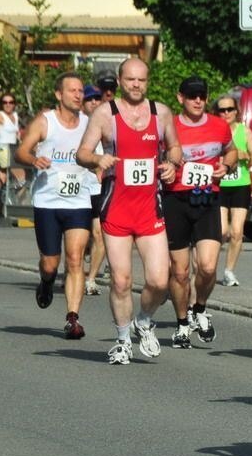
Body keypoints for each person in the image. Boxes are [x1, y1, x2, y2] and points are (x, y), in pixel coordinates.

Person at [77, 57, 182, 365]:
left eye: (142, 80)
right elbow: (81, 152)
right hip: (117, 209)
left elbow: (175, 147)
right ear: (121, 81)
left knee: (160, 281)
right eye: (131, 79)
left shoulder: (160, 113)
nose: (137, 85)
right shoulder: (104, 114)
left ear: (147, 82)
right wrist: (98, 160)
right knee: (121, 281)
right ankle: (123, 341)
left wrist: (172, 165)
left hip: (150, 209)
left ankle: (144, 320)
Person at [15, 72, 94, 339]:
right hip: (48, 200)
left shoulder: (89, 123)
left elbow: (102, 148)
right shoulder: (44, 122)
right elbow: (21, 150)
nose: (78, 95)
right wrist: (33, 159)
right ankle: (46, 282)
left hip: (78, 200)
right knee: (50, 263)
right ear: (59, 95)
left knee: (75, 258)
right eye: (72, 90)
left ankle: (72, 318)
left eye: (81, 91)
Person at [165, 76, 236, 349]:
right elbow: (155, 157)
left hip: (208, 199)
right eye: (192, 96)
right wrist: (166, 167)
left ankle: (200, 307)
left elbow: (232, 152)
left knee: (207, 267)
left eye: (202, 96)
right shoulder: (169, 127)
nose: (198, 101)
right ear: (180, 98)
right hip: (176, 200)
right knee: (180, 273)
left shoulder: (219, 126)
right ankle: (182, 324)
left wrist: (226, 167)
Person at [214, 94, 252, 288]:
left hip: (240, 184)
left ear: (236, 111)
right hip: (219, 184)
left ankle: (229, 271)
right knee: (222, 231)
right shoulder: (214, 131)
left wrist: (244, 155)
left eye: (230, 109)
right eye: (222, 110)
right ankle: (208, 267)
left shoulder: (244, 131)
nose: (226, 113)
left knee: (237, 231)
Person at [81, 84, 107, 296]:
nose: (94, 102)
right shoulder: (75, 124)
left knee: (100, 234)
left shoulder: (108, 123)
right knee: (79, 237)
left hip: (99, 187)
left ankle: (90, 279)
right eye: (90, 99)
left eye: (97, 99)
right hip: (78, 189)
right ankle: (74, 272)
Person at [0, 92, 22, 186]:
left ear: (14, 104)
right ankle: (21, 200)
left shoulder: (15, 115)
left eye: (11, 102)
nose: (8, 104)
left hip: (13, 148)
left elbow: (16, 133)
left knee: (2, 177)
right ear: (1, 104)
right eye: (5, 102)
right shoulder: (0, 115)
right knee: (21, 177)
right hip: (2, 149)